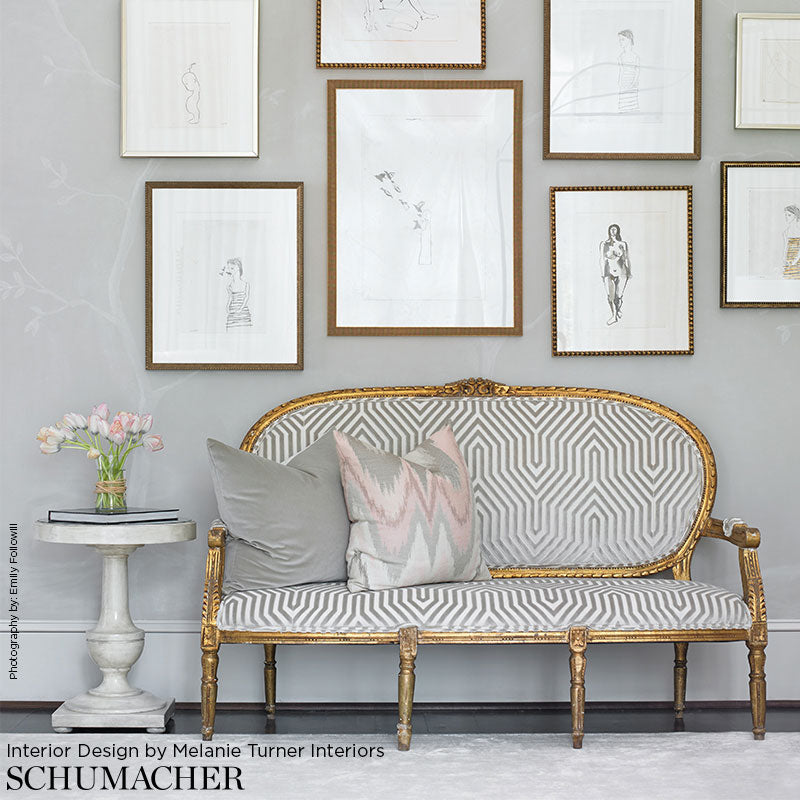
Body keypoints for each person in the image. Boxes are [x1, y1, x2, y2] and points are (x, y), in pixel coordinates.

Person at [599, 224, 632, 325]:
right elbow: (602, 259)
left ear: (618, 231)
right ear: (609, 231)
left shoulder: (622, 244)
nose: (613, 231)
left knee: (619, 296)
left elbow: (626, 258)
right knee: (610, 296)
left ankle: (617, 310)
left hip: (622, 272)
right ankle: (614, 316)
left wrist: (629, 271)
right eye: (611, 229)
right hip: (609, 272)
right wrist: (602, 273)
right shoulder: (604, 244)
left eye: (615, 229)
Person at [363, 0, 438, 33]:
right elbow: (369, 9)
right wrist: (370, 23)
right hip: (380, 14)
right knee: (413, 25)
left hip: (387, 10)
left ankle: (423, 14)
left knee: (414, 25)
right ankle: (380, 24)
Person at [220, 258, 252, 330]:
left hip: (243, 312)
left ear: (237, 268)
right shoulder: (229, 286)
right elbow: (230, 297)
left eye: (232, 268)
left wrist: (241, 308)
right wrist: (227, 307)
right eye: (229, 268)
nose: (229, 271)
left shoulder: (246, 284)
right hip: (232, 311)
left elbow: (246, 297)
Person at [617, 30, 640, 113]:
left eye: (623, 39)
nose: (620, 42)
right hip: (624, 83)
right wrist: (620, 83)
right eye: (620, 40)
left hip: (633, 83)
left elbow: (637, 71)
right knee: (624, 104)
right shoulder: (621, 57)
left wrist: (634, 82)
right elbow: (621, 70)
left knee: (632, 103)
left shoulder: (635, 57)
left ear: (629, 40)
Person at [782, 205, 800, 279]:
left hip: (798, 260)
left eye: (789, 215)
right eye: (785, 215)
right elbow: (785, 248)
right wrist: (784, 260)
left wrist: (794, 261)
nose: (786, 217)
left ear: (795, 216)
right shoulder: (785, 232)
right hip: (789, 260)